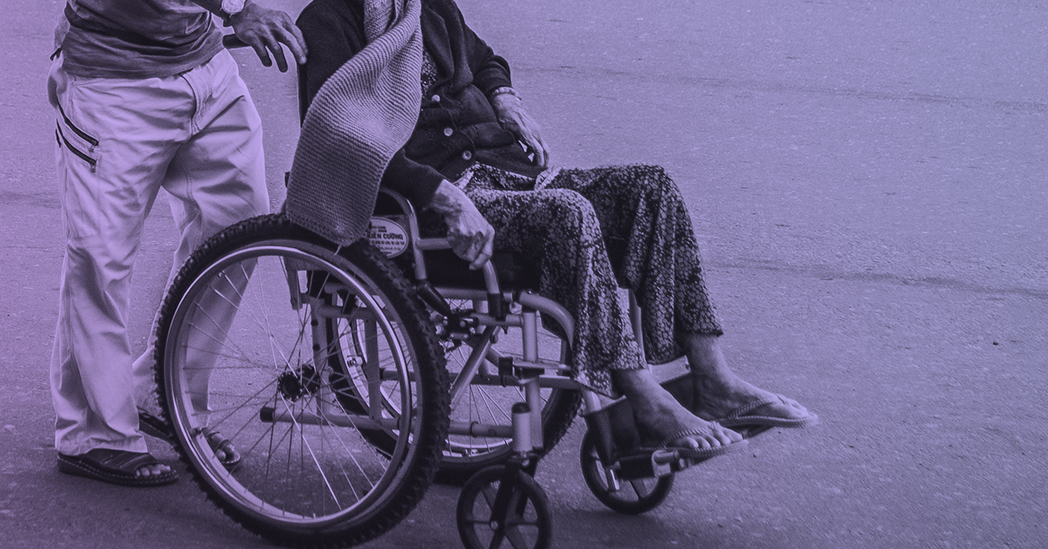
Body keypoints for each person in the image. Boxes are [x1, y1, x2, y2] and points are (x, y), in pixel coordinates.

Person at [290, 0, 815, 459]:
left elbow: (485, 59)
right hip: (439, 202)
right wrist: (443, 197)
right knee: (568, 213)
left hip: (511, 175)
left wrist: (506, 101)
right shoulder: (329, 21)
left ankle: (711, 376)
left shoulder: (429, 6)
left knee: (651, 188)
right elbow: (341, 135)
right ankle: (643, 398)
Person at [48, 0, 306, 486]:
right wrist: (238, 9)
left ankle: (164, 395)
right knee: (99, 260)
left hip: (205, 65)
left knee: (238, 228)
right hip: (112, 78)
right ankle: (94, 433)